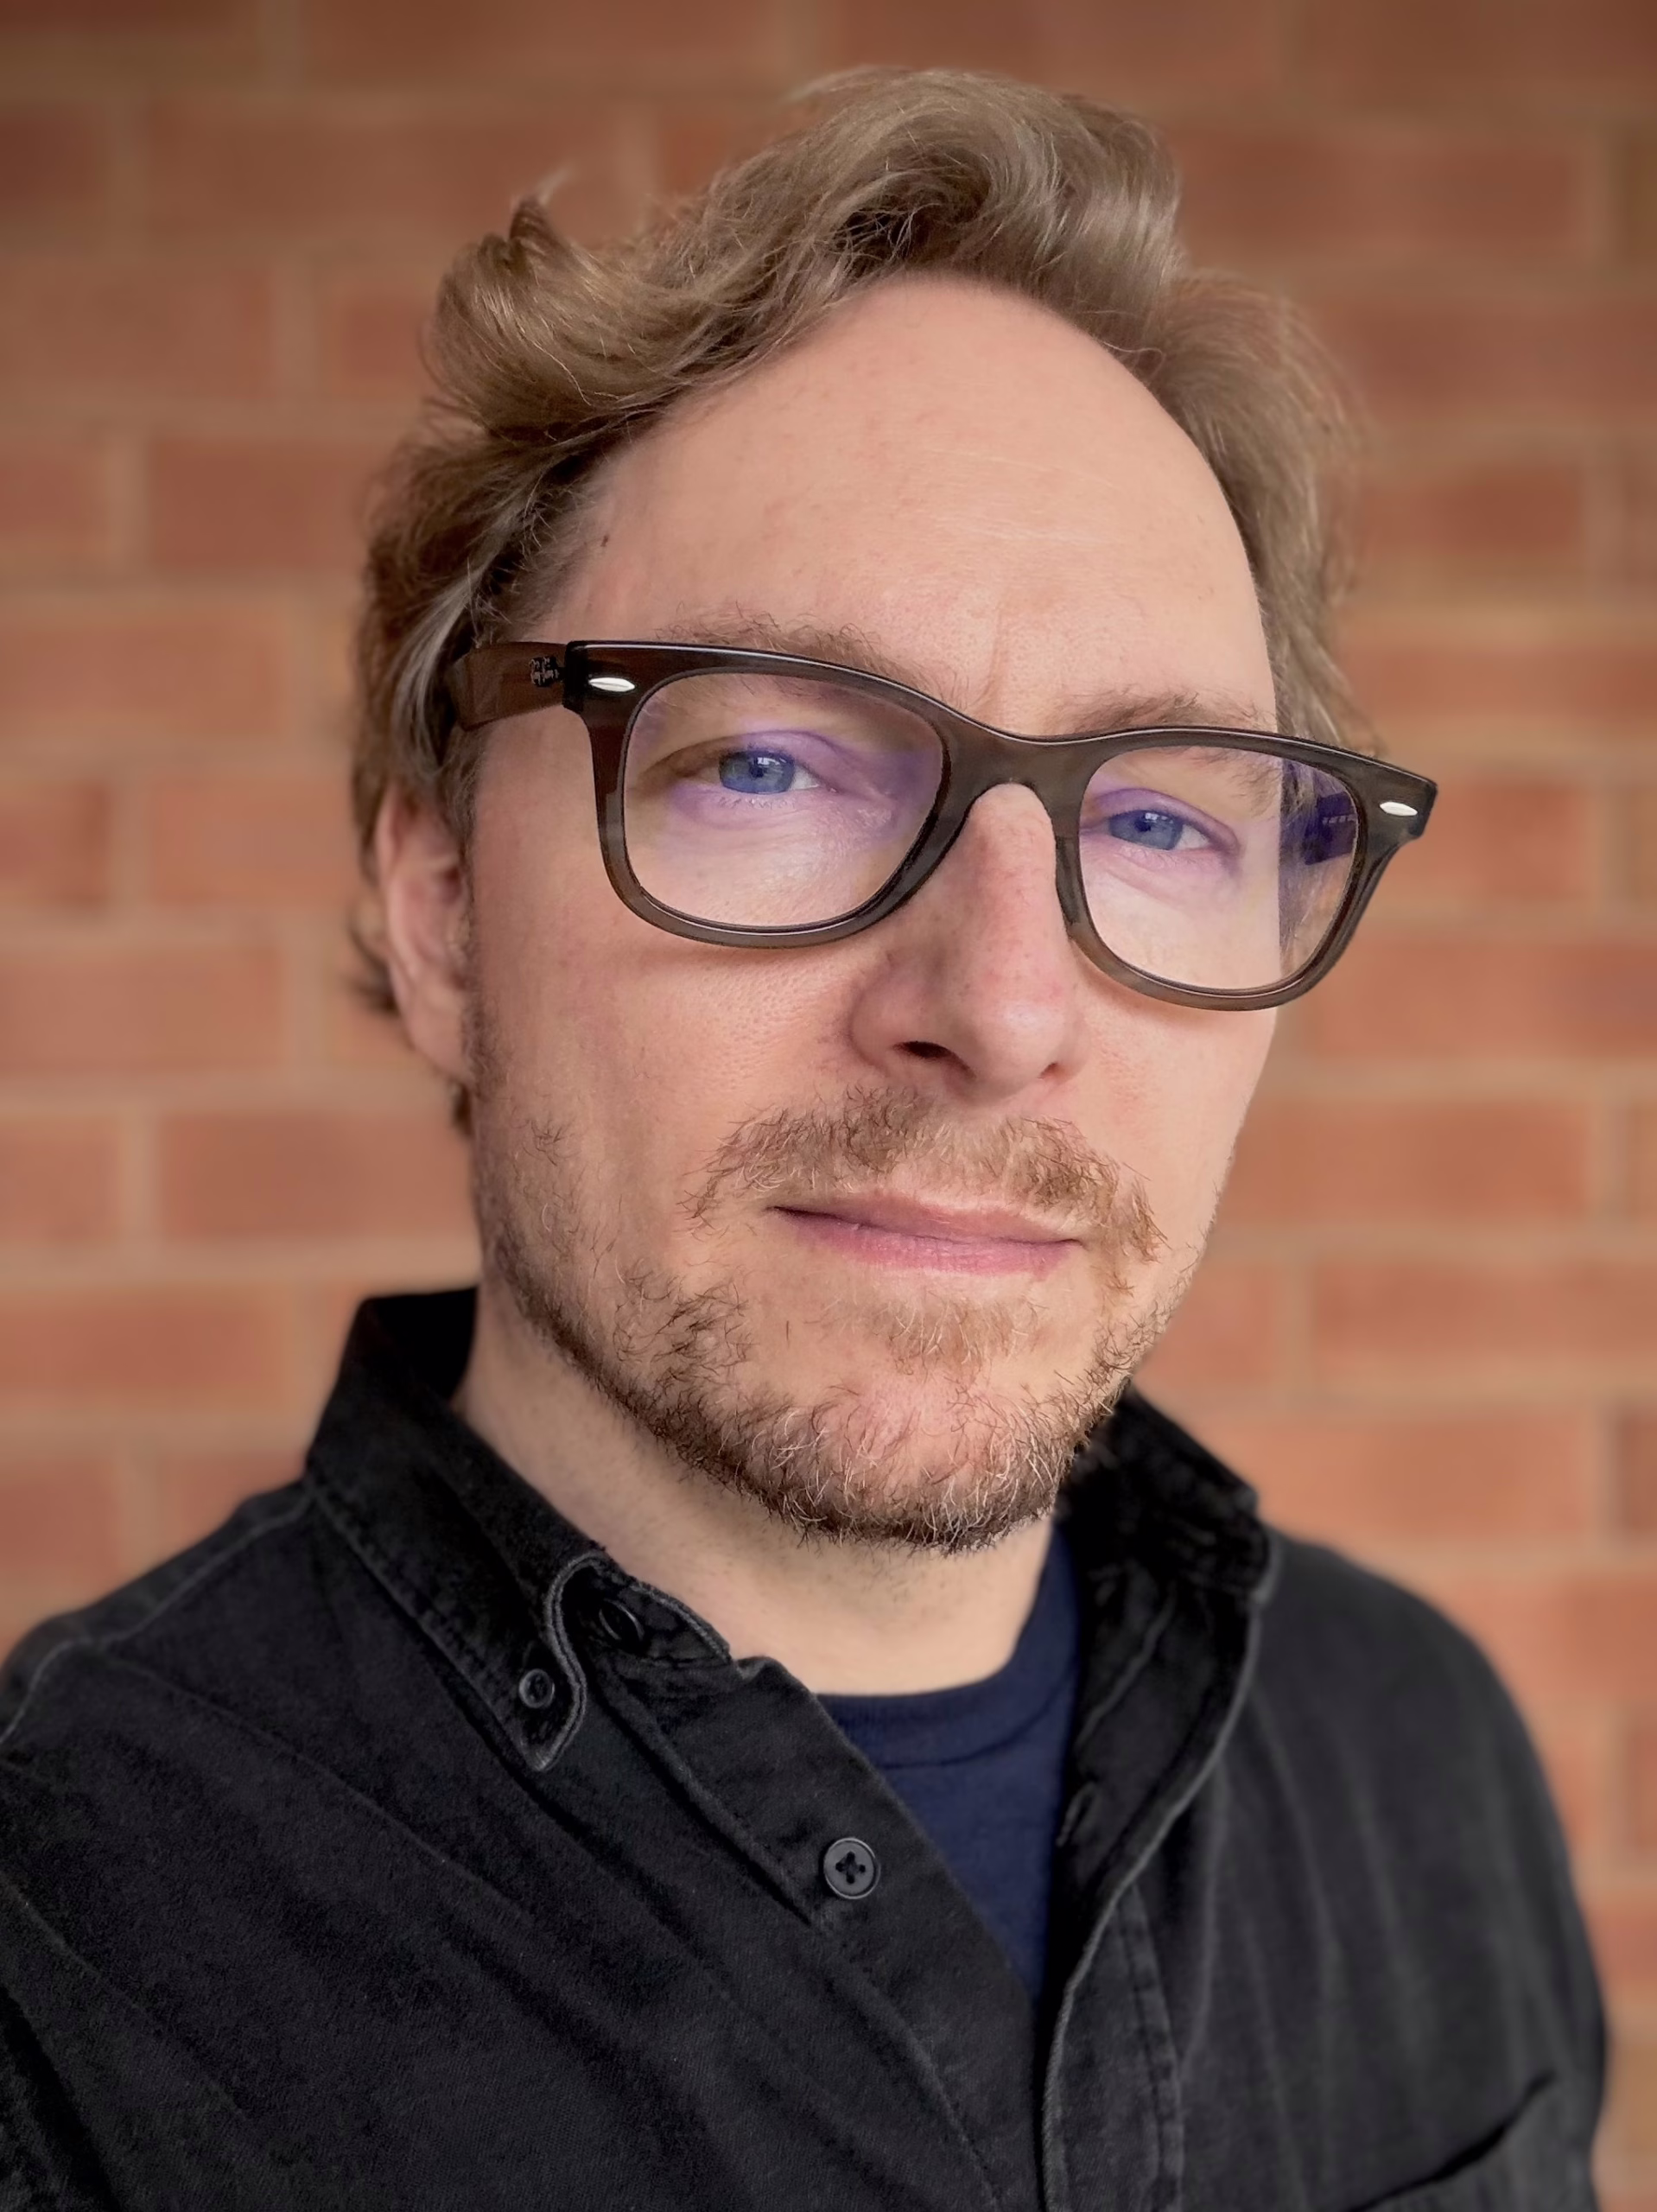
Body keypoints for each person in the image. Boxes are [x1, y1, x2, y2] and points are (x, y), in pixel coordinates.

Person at [0, 69, 1602, 2212]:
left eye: (1152, 817)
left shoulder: (1416, 1759)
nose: (1001, 1006)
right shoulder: (60, 1946)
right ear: (441, 904)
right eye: (767, 768)